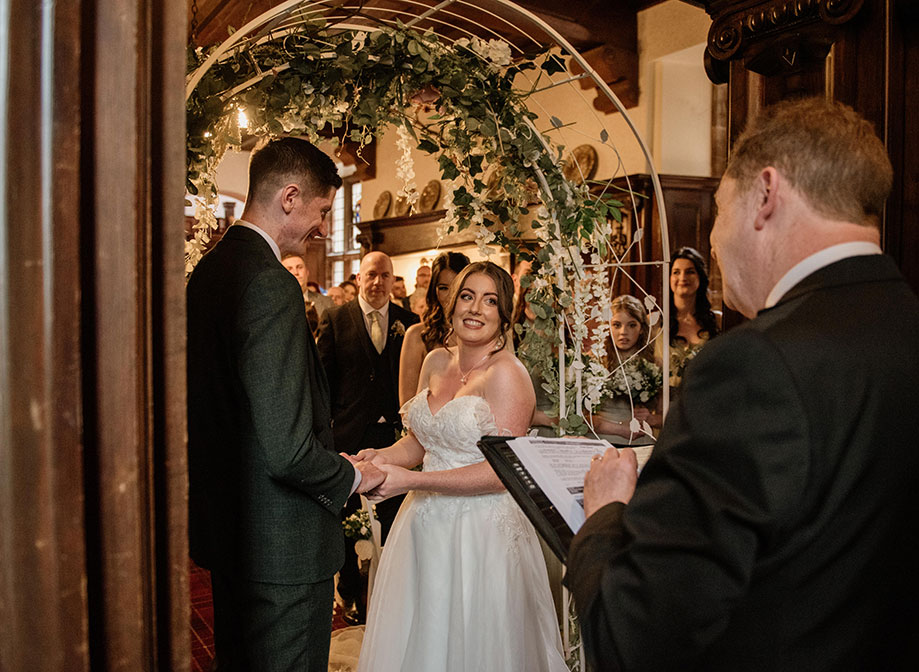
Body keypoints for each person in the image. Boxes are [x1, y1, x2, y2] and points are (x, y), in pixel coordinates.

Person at [566, 98, 919, 671]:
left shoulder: (752, 366)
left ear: (766, 194)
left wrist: (606, 516)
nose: (711, 242)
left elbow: (635, 641)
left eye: (718, 211)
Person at [186, 137, 382, 672]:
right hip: (281, 544)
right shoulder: (270, 284)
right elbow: (289, 449)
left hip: (232, 531)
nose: (322, 228)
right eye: (321, 211)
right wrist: (350, 477)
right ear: (290, 197)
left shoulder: (209, 271)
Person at [355, 262, 568, 672]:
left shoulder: (508, 374)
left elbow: (500, 474)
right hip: (422, 528)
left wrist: (411, 481)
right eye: (467, 296)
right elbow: (420, 441)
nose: (476, 308)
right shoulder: (435, 361)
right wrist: (376, 460)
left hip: (481, 533)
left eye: (491, 300)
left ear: (505, 313)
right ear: (451, 304)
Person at [316, 251, 419, 625]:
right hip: (348, 434)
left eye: (385, 276)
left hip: (395, 437)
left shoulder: (409, 323)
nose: (378, 282)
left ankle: (390, 592)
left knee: (394, 518)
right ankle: (349, 594)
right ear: (359, 278)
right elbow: (322, 384)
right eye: (371, 275)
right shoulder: (335, 319)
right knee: (346, 521)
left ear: (393, 281)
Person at [587, 294, 661, 460]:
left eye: (631, 325)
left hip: (642, 444)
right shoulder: (595, 359)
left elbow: (664, 416)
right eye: (617, 325)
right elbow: (583, 417)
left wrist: (650, 419)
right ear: (608, 326)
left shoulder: (654, 363)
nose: (623, 332)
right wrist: (620, 428)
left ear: (641, 328)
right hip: (603, 442)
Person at [398, 251, 470, 404]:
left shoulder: (483, 335)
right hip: (427, 425)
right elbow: (406, 406)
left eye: (458, 287)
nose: (451, 295)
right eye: (444, 288)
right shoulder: (417, 336)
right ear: (434, 291)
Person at [667, 246, 719, 389]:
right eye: (676, 272)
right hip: (665, 406)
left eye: (690, 272)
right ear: (669, 278)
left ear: (700, 277)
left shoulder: (717, 321)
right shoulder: (655, 323)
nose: (682, 278)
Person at [281, 251, 334, 318]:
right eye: (289, 269)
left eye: (299, 267)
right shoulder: (274, 304)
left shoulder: (327, 303)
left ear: (307, 272)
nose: (296, 272)